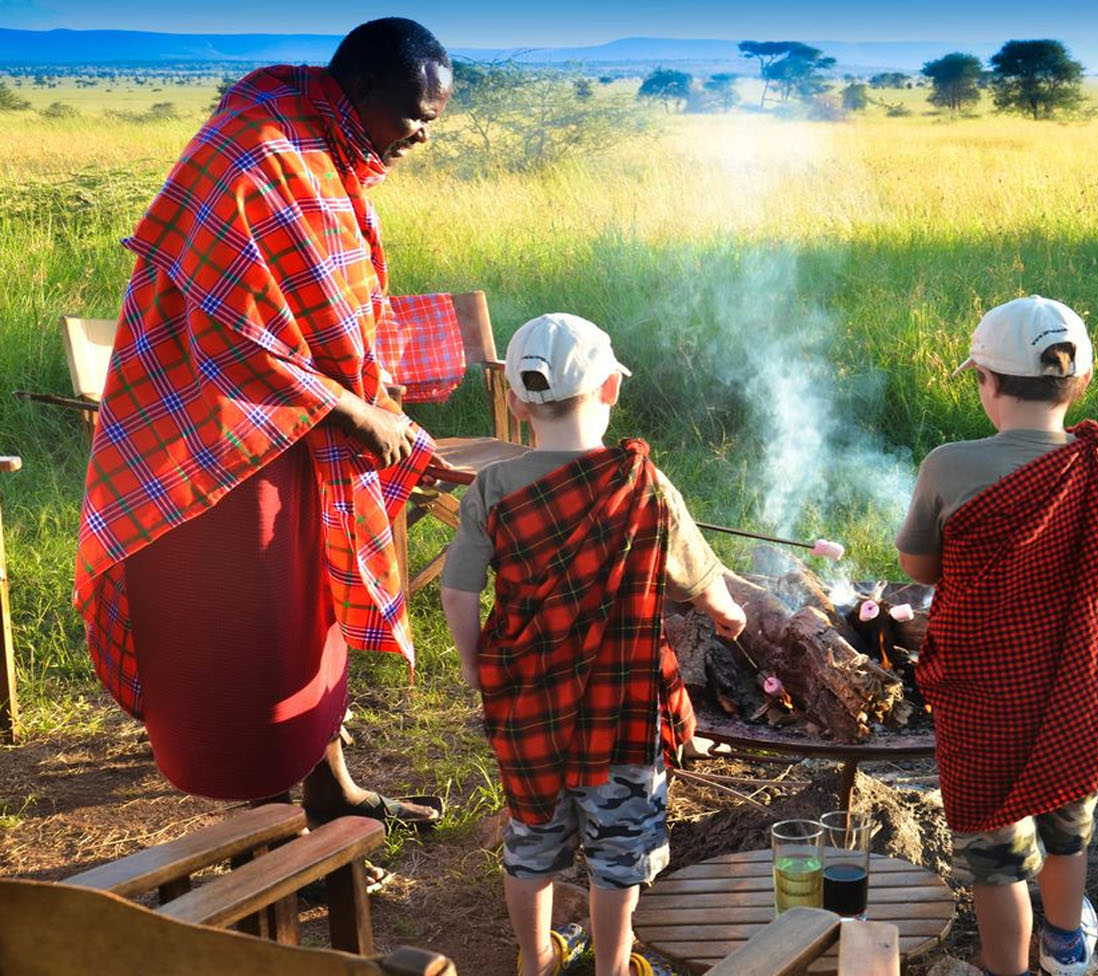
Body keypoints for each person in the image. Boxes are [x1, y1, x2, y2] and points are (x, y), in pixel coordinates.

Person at [74, 18, 452, 824]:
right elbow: (232, 330)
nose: (421, 136)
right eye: (415, 116)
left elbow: (326, 310)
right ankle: (263, 828)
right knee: (245, 628)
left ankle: (328, 790)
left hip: (294, 429)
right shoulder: (256, 153)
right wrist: (352, 409)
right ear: (362, 91)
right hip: (209, 443)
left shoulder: (320, 144)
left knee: (308, 610)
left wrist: (370, 412)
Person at [440, 313, 747, 976]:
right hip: (624, 712)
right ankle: (612, 967)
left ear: (517, 405)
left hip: (529, 709)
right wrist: (729, 618)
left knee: (530, 847)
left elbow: (458, 593)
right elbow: (703, 583)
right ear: (610, 389)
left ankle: (537, 958)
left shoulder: (492, 489)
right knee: (617, 862)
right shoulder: (645, 485)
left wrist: (473, 666)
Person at [894, 296, 1098, 976]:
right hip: (1074, 691)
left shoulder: (949, 464)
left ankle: (1006, 967)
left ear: (986, 382)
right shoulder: (1091, 464)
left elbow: (918, 565)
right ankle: (1065, 946)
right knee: (1067, 833)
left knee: (996, 863)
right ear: (1080, 382)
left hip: (987, 699)